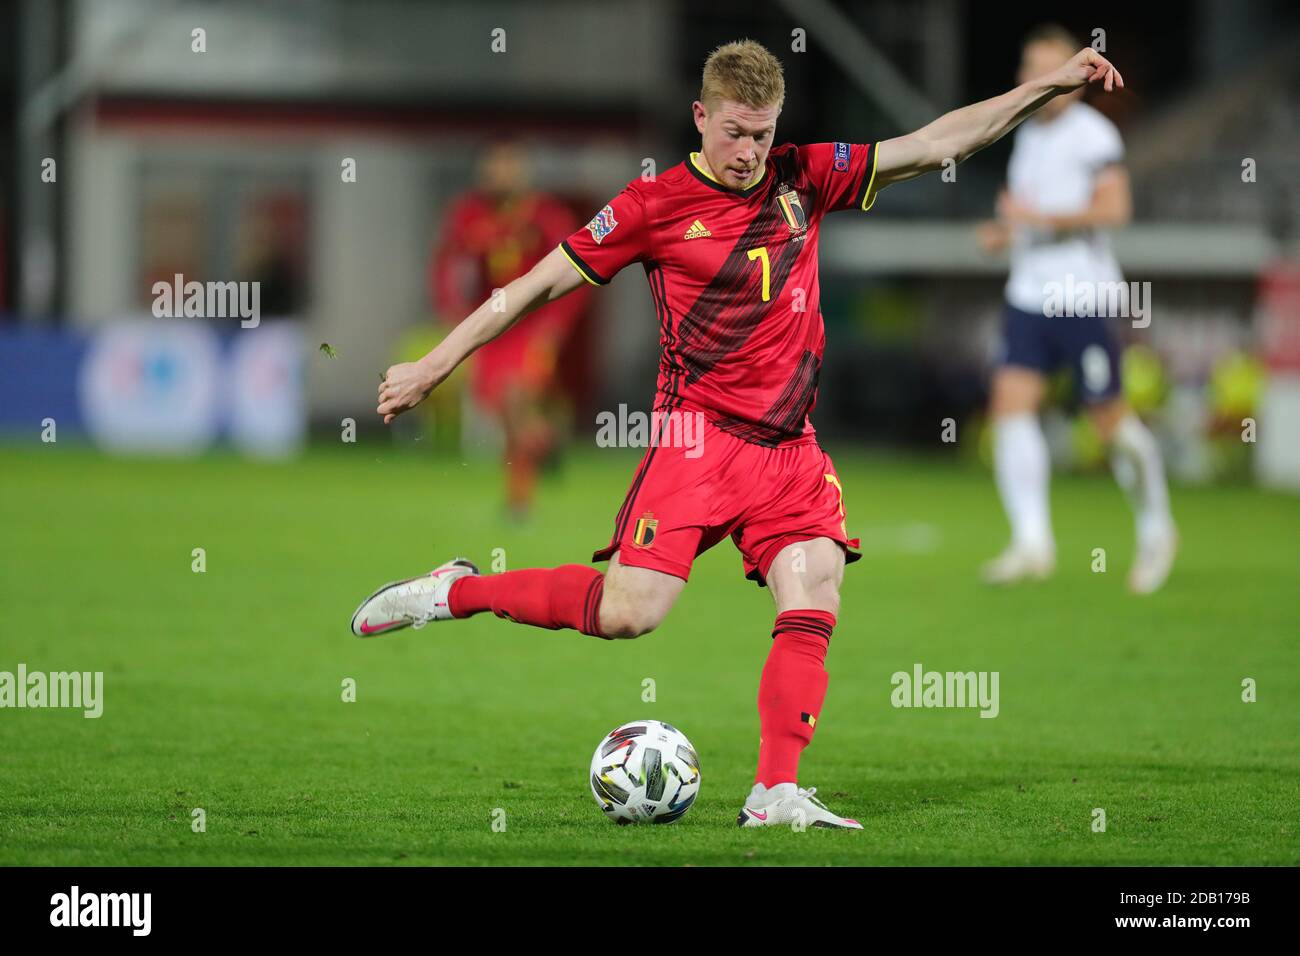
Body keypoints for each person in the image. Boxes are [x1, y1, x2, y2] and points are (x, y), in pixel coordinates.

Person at [354, 38, 1125, 828]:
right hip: (698, 440)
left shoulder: (806, 174)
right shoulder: (653, 207)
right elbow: (532, 285)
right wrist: (433, 364)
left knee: (816, 584)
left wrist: (1046, 85)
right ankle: (454, 591)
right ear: (700, 117)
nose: (749, 152)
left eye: (762, 134)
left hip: (789, 448)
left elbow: (939, 143)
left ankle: (774, 792)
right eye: (733, 132)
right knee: (630, 613)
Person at [976, 25, 1176, 594]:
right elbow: (1029, 218)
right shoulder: (1026, 135)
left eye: (1044, 68)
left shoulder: (1094, 135)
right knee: (1010, 406)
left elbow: (1114, 209)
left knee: (1107, 424)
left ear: (1076, 81)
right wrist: (1004, 234)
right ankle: (1032, 542)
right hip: (1028, 295)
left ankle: (1157, 526)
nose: (1032, 80)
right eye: (1027, 68)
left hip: (1080, 296)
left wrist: (1037, 220)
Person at [430, 140, 590, 518]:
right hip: (491, 326)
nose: (500, 173)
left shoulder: (547, 216)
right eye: (494, 165)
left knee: (516, 400)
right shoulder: (468, 215)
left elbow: (578, 271)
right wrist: (453, 311)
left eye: (509, 165)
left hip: (531, 327)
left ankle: (519, 501)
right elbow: (443, 266)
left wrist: (554, 327)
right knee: (503, 411)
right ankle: (546, 443)